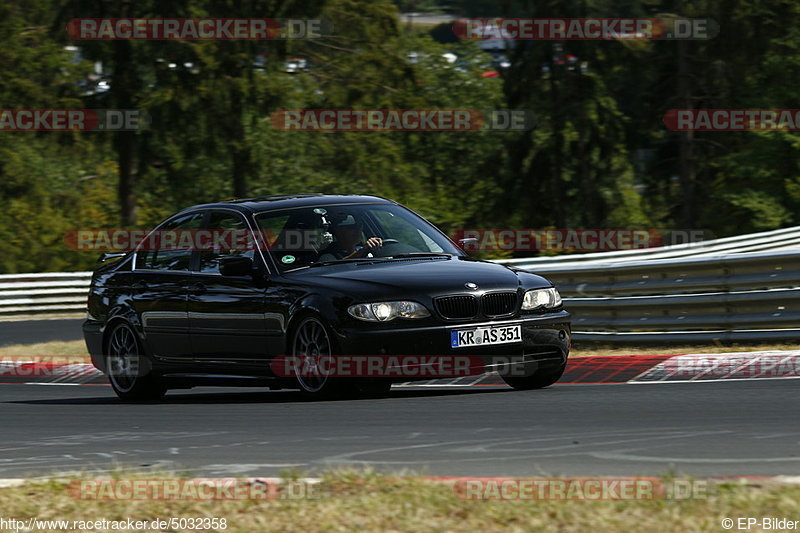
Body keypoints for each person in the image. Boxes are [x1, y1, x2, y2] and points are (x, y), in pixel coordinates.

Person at [318, 214, 383, 262]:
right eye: (352, 227)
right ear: (338, 231)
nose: (358, 230)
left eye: (360, 225)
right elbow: (333, 267)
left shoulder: (361, 248)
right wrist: (363, 251)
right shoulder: (328, 254)